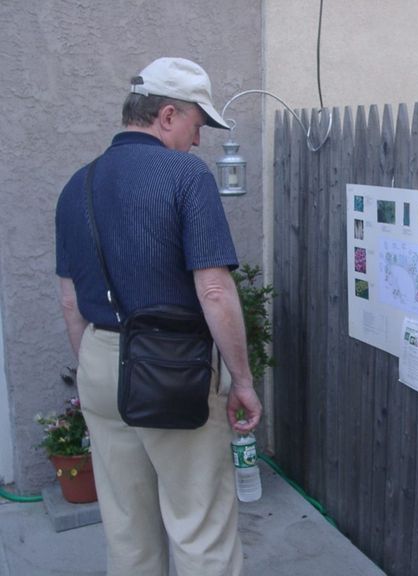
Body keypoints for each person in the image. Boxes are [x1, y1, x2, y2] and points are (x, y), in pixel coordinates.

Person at [55, 57, 262, 576]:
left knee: (127, 529)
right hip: (172, 368)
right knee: (200, 526)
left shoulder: (76, 185)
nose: (199, 141)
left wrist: (99, 367)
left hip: (101, 363)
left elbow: (68, 301)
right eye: (198, 125)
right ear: (167, 115)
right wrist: (242, 380)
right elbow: (214, 289)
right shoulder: (187, 176)